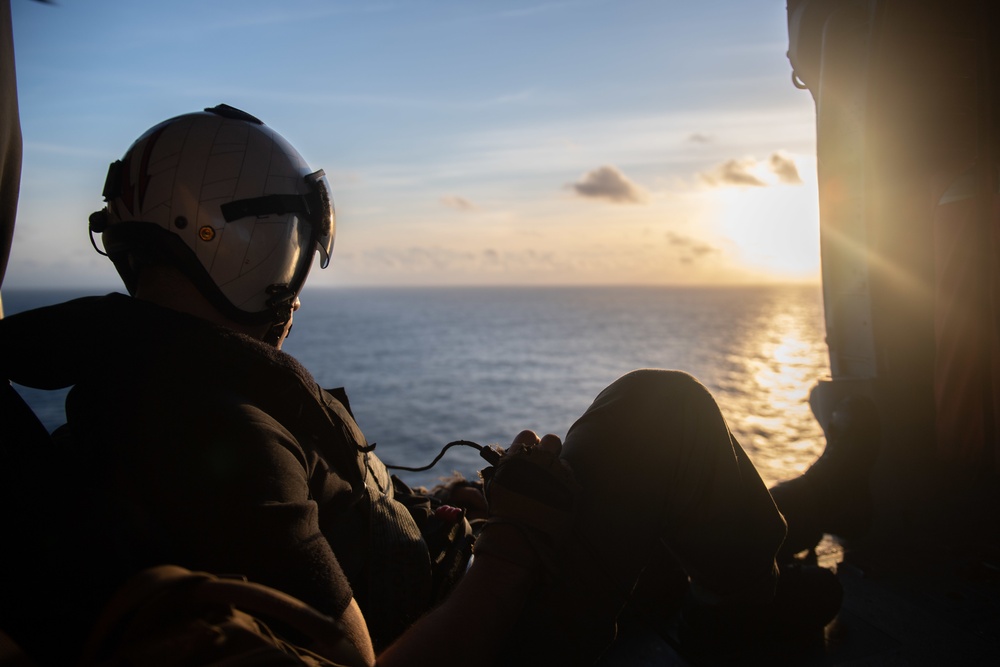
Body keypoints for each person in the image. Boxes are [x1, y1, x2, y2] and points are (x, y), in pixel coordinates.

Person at [0, 105, 877, 666]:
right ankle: (743, 606)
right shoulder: (209, 430)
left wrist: (424, 507)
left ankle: (765, 557)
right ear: (228, 239)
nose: (295, 285)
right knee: (659, 410)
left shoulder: (153, 389)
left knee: (628, 446)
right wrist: (515, 541)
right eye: (292, 247)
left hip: (449, 576)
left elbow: (326, 541)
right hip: (486, 630)